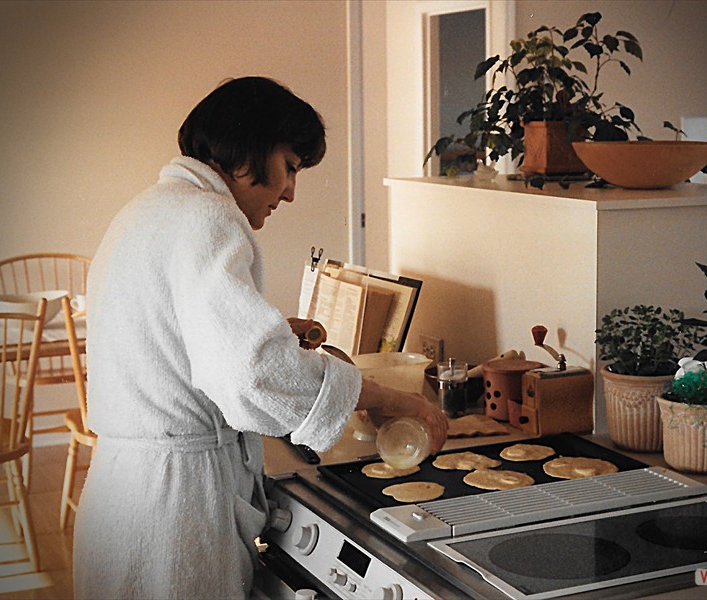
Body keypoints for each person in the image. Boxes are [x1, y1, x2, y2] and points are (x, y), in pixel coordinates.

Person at [73, 76, 448, 600]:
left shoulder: (149, 210)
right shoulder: (209, 217)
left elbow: (174, 340)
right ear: (248, 148)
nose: (290, 192)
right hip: (176, 508)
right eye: (290, 167)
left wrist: (271, 331)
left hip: (123, 494)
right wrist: (387, 397)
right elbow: (254, 374)